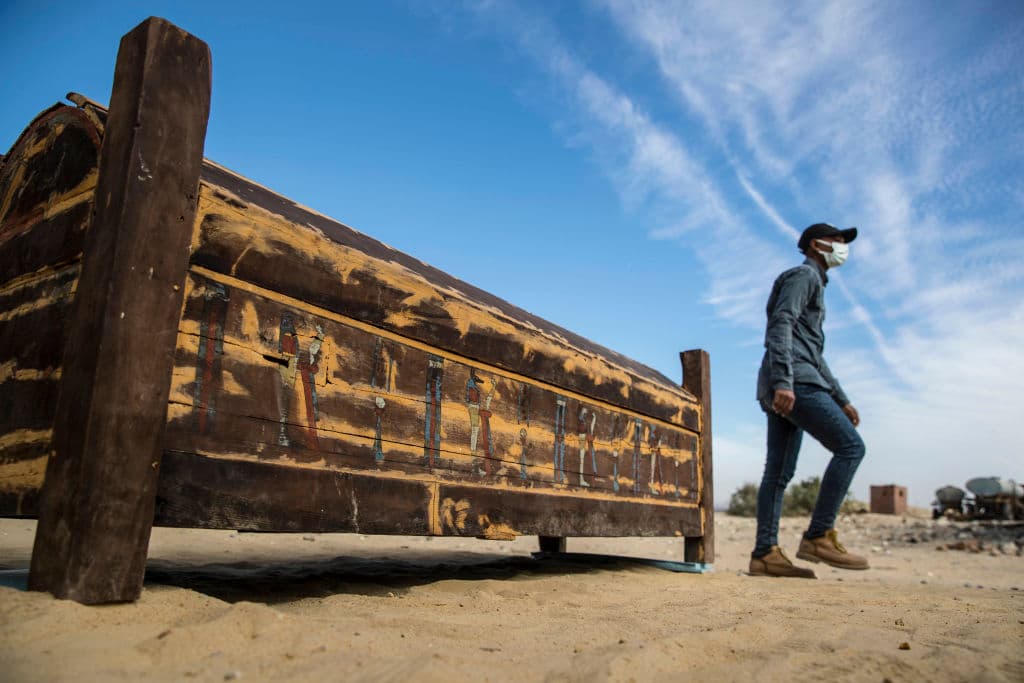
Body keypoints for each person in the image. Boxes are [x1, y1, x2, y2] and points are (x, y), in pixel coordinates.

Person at [749, 223, 870, 579]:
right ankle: (818, 536)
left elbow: (815, 353)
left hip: (789, 379)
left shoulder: (814, 282)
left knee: (779, 472)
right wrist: (785, 381)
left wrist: (841, 398)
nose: (844, 247)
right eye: (838, 241)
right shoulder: (804, 276)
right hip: (794, 381)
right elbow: (780, 323)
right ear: (817, 245)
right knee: (851, 448)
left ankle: (765, 554)